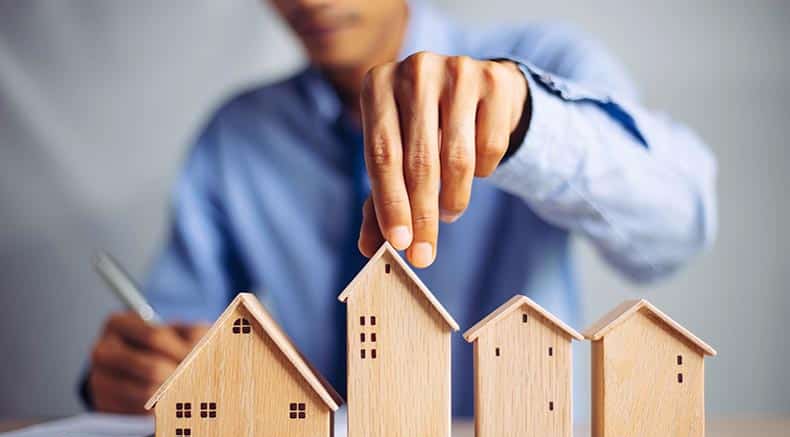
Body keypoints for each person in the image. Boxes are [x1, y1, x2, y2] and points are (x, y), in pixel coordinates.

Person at [85, 0, 717, 415]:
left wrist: (527, 125)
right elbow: (178, 334)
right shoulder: (235, 137)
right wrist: (134, 375)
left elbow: (678, 229)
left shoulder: (543, 64)